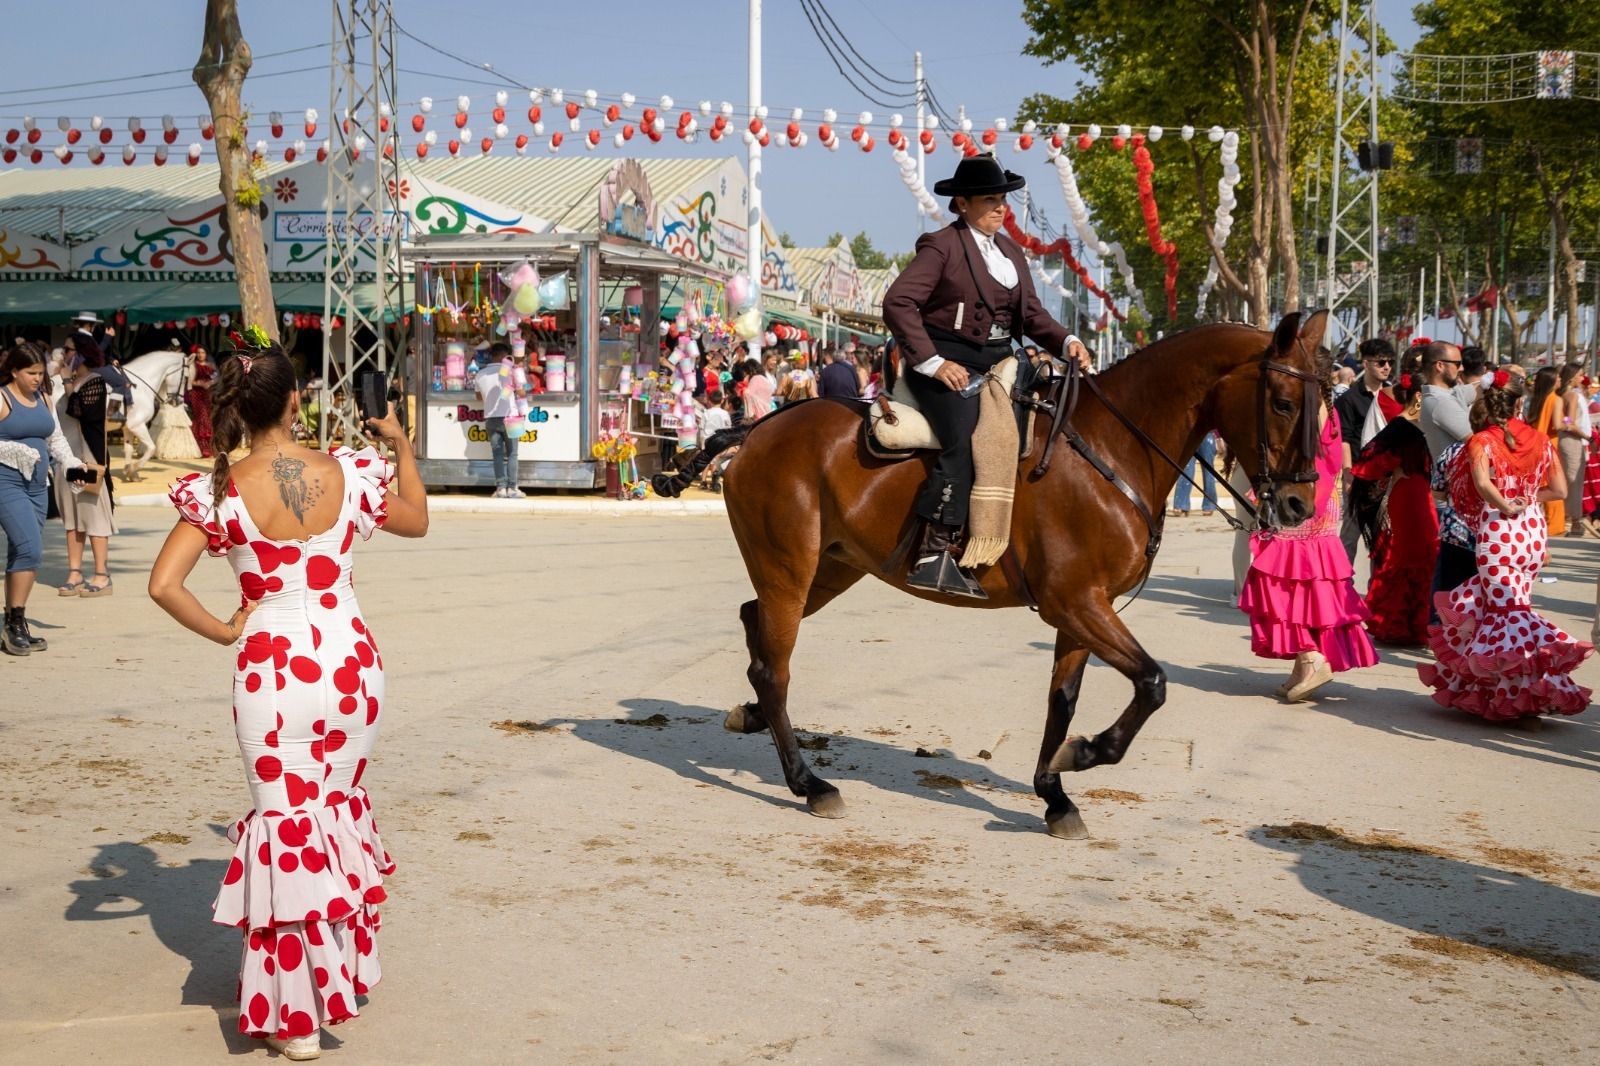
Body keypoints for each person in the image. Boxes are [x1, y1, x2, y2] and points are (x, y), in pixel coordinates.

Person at [148, 337, 429, 1060]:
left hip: (273, 674)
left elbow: (162, 586)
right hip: (351, 667)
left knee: (288, 830)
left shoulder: (219, 488)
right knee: (335, 815)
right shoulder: (348, 471)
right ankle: (343, 971)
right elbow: (416, 519)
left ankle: (296, 1018)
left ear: (238, 407)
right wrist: (398, 445)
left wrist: (224, 630)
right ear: (297, 400)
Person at [882, 153, 1089, 594]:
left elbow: (1032, 315)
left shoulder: (1011, 251)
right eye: (991, 200)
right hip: (942, 366)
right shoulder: (941, 245)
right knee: (965, 437)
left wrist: (1066, 340)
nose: (1001, 208)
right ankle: (932, 552)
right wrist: (934, 363)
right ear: (962, 204)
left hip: (998, 364)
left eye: (1003, 200)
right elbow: (898, 302)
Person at [1419, 372, 1592, 719]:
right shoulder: (1542, 441)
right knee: (1512, 605)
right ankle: (1496, 690)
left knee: (1505, 613)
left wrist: (1504, 502)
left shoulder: (1482, 441)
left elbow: (1482, 484)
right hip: (1531, 532)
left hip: (1498, 531)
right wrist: (1527, 498)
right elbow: (1559, 489)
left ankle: (1515, 697)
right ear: (1518, 403)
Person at [1238, 361, 1378, 702]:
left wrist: (1262, 492)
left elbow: (1307, 459)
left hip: (1304, 503)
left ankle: (1311, 657)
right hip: (1321, 501)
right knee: (1309, 586)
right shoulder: (1325, 407)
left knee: (1285, 584)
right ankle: (1303, 666)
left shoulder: (1311, 405)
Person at [0, 343, 91, 656]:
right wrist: (15, 450)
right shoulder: (2, 398)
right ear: (13, 371)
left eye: (41, 372)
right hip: (6, 482)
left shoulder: (44, 397)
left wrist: (72, 464)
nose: (38, 378)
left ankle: (16, 621)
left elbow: (55, 440)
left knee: (21, 552)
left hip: (38, 485)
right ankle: (13, 624)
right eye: (31, 373)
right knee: (30, 550)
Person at [1349, 372, 1438, 645]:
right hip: (1408, 500)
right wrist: (1391, 473)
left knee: (1425, 556)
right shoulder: (1399, 427)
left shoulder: (1422, 424)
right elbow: (1366, 462)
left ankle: (1416, 627)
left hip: (1422, 498)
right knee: (1405, 557)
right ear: (1419, 397)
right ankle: (1394, 625)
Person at [54, 341, 119, 598]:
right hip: (66, 456)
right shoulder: (60, 382)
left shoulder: (95, 381)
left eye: (69, 350)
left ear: (82, 354)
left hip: (88, 458)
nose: (65, 354)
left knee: (94, 516)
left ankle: (102, 574)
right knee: (71, 518)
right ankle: (75, 571)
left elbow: (81, 412)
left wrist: (68, 383)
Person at [1333, 338, 1394, 559]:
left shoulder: (1393, 396)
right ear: (1366, 364)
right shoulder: (1349, 400)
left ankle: (1376, 591)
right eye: (1381, 362)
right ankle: (1341, 587)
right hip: (1359, 475)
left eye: (1390, 362)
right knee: (1350, 535)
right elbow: (1344, 439)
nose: (1387, 367)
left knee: (1383, 539)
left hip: (1388, 478)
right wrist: (1348, 474)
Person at [474, 341, 525, 499]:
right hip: (511, 416)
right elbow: (522, 393)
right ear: (504, 356)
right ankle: (513, 488)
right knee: (512, 454)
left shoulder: (480, 374)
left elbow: (477, 397)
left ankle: (501, 488)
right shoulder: (511, 372)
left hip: (491, 418)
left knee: (497, 454)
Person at [1416, 340, 1470, 461]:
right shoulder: (1440, 402)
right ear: (1440, 366)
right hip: (1454, 478)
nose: (1461, 368)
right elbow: (1477, 441)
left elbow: (1476, 389)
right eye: (1457, 363)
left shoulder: (1443, 395)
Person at [1527, 366, 1565, 535]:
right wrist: (1570, 423)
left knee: (1540, 483)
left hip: (1534, 444)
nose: (1560, 380)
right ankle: (1553, 525)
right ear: (1551, 380)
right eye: (1557, 378)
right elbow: (1558, 424)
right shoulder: (1556, 399)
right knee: (1554, 485)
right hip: (1551, 444)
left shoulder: (1536, 399)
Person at [1553, 363, 1589, 536]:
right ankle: (1574, 521)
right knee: (1574, 481)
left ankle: (1566, 519)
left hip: (1562, 440)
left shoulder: (1559, 394)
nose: (1582, 378)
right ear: (1573, 376)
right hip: (1572, 440)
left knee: (1566, 479)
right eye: (1580, 375)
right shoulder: (1572, 396)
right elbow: (1570, 421)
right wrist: (1588, 437)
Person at [1170, 432, 1219, 517]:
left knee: (1208, 470)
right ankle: (1181, 505)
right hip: (1189, 432)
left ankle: (1209, 505)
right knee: (1186, 468)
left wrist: (1219, 438)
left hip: (1208, 433)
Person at [185, 345, 217, 457]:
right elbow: (189, 381)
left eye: (202, 352)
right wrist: (201, 383)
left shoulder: (211, 365)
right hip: (196, 394)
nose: (200, 355)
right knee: (201, 417)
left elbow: (216, 378)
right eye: (198, 353)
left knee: (208, 417)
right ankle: (202, 447)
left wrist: (210, 383)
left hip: (208, 395)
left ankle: (210, 446)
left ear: (206, 354)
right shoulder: (193, 366)